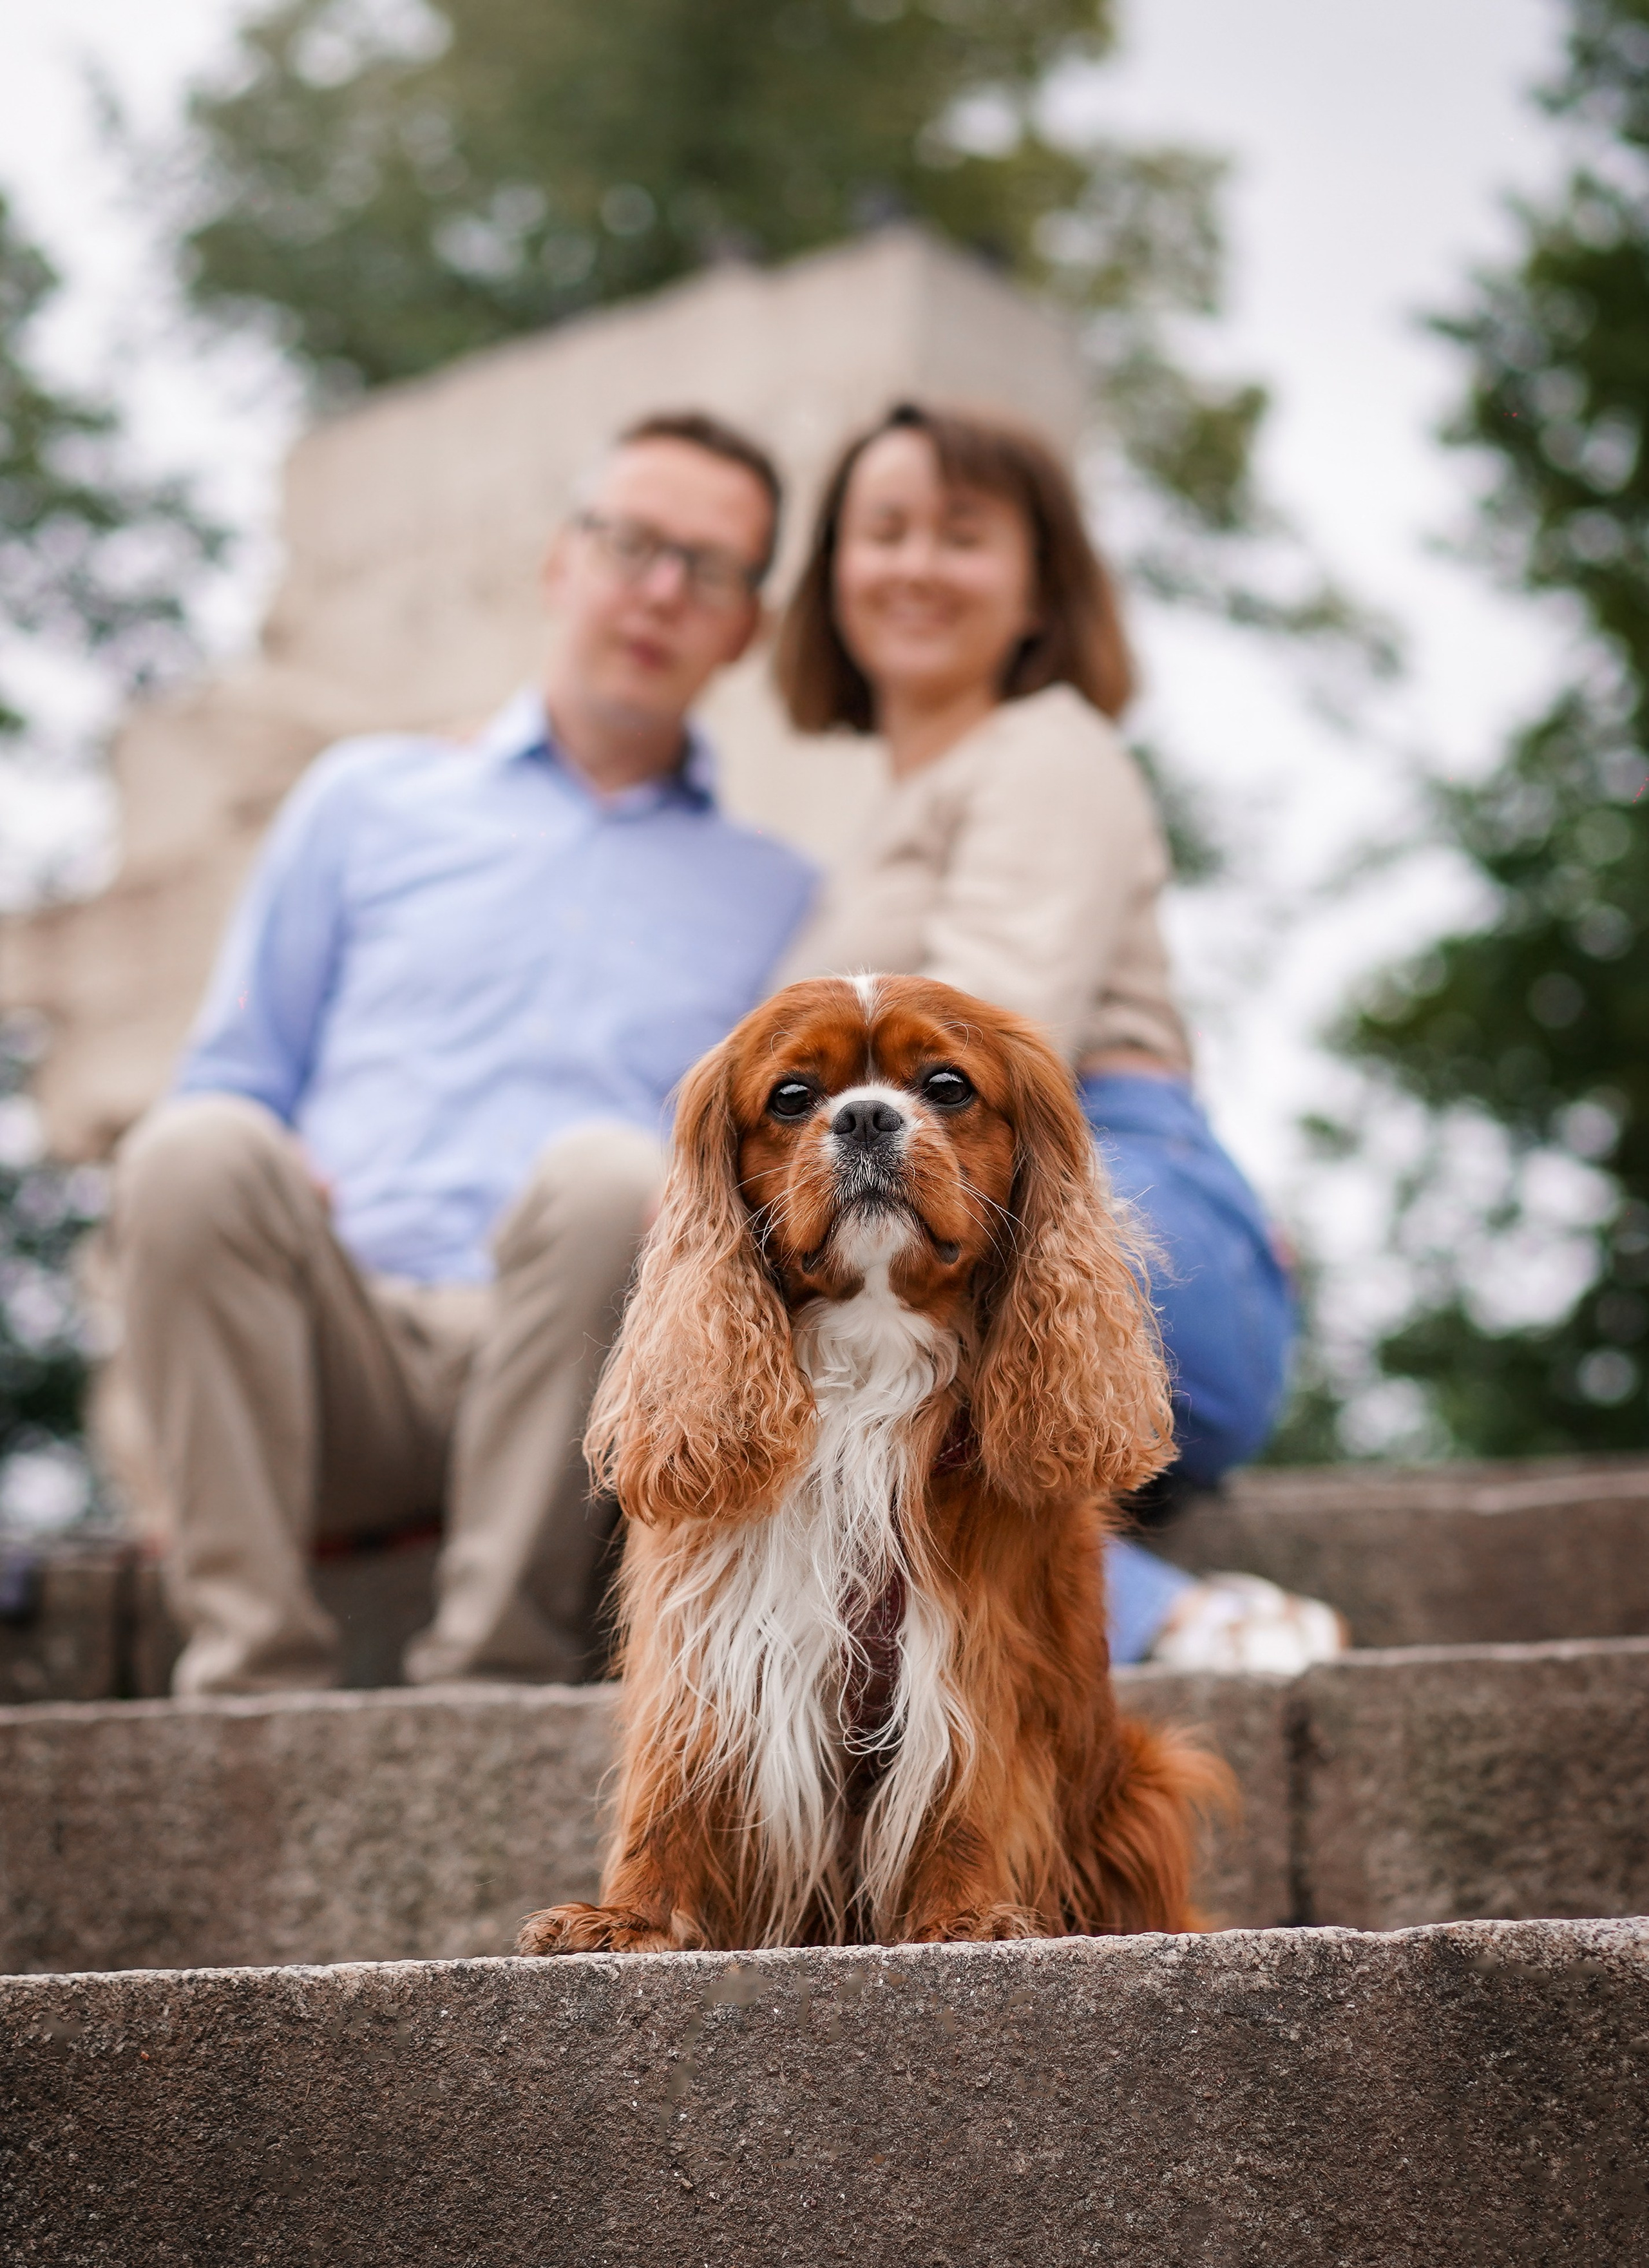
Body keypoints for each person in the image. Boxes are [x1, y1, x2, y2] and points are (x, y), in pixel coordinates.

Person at [111, 411, 815, 1696]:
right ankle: (250, 1677)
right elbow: (231, 1075)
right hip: (345, 1353)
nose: (659, 592)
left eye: (707, 570)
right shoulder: (364, 800)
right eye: (633, 544)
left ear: (744, 629)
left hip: (592, 1381)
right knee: (194, 1150)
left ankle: (488, 1679)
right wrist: (264, 1150)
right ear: (562, 562)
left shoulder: (779, 899)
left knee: (617, 1175)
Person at [772, 400, 1343, 1672]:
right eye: (884, 531)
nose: (915, 564)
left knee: (774, 1323)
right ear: (832, 577)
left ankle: (1147, 1612)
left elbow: (974, 1062)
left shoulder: (1046, 751)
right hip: (998, 1200)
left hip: (1100, 1195)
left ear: (1038, 591)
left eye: (961, 534)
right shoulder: (889, 813)